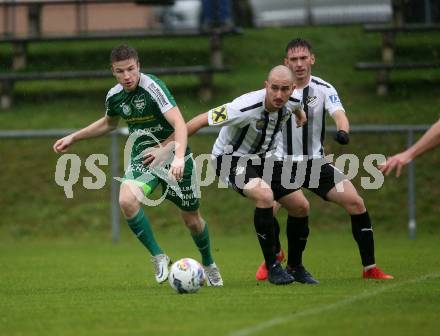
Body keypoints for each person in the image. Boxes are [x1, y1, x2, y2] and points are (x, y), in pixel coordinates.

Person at [53, 45, 223, 287]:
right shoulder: (114, 96)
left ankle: (208, 263)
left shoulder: (153, 87)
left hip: (175, 156)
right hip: (144, 159)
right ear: (112, 71)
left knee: (192, 219)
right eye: (120, 71)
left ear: (139, 66)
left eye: (131, 69)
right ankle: (158, 255)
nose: (127, 76)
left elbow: (179, 123)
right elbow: (108, 124)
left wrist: (176, 156)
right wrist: (74, 137)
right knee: (126, 200)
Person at [255, 38, 394, 283]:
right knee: (267, 208)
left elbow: (339, 114)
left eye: (303, 58)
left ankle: (370, 268)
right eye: (293, 60)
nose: (299, 64)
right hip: (281, 164)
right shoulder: (277, 91)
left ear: (312, 59)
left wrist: (343, 131)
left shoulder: (323, 89)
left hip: (315, 164)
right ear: (285, 63)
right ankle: (275, 258)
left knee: (356, 203)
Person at [164, 65, 307, 285]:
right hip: (230, 159)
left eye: (285, 89)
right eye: (274, 88)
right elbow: (199, 120)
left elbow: (296, 105)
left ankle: (295, 268)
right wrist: (165, 148)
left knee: (300, 206)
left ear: (292, 89)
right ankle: (273, 267)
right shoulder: (243, 107)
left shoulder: (294, 99)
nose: (279, 95)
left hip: (265, 159)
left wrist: (299, 114)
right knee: (265, 196)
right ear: (266, 86)